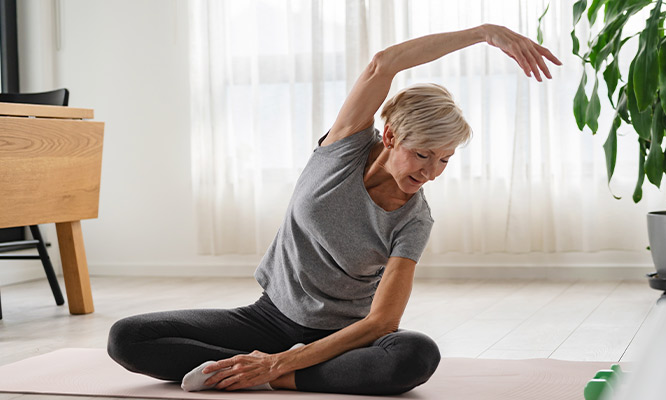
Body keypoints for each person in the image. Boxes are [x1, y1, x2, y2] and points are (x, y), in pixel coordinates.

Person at [107, 23, 560, 396]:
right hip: (266, 318)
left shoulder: (413, 219)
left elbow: (383, 321)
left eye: (445, 159)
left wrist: (284, 362)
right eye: (423, 154)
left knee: (415, 355)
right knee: (127, 338)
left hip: (342, 339)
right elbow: (385, 63)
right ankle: (262, 370)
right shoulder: (341, 149)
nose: (432, 172)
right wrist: (485, 33)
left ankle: (274, 376)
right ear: (390, 138)